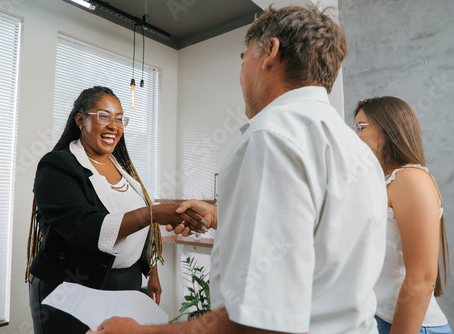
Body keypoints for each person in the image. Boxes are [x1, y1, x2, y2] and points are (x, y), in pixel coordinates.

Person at [88, 4, 388, 334]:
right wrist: (221, 216)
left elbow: (257, 323)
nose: (242, 70)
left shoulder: (271, 138)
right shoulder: (354, 149)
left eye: (243, 57)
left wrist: (140, 332)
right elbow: (316, 241)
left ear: (270, 51)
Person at [25, 86, 207, 334]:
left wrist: (151, 270)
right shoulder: (57, 166)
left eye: (120, 119)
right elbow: (86, 228)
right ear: (81, 120)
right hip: (72, 291)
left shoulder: (124, 171)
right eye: (104, 116)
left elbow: (139, 227)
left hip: (125, 287)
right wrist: (153, 213)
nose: (114, 125)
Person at [353, 96, 451, 334]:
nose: (354, 136)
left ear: (388, 130)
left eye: (360, 128)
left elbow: (421, 280)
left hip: (410, 326)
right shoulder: (382, 183)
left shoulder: (411, 180)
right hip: (379, 319)